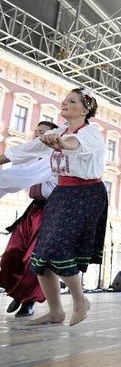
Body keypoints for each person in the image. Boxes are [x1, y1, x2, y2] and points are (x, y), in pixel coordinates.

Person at [0, 86, 107, 326]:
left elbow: (72, 143)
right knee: (41, 255)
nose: (64, 102)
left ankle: (80, 301)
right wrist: (52, 139)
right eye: (65, 99)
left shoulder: (91, 133)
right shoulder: (58, 132)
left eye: (71, 100)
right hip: (62, 193)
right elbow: (20, 152)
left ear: (85, 109)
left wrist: (59, 141)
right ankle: (55, 311)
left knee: (59, 248)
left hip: (85, 193)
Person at [0, 121, 58, 317]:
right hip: (33, 210)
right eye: (36, 133)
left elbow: (20, 177)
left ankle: (29, 301)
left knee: (32, 258)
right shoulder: (35, 157)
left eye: (43, 133)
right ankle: (17, 292)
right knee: (11, 254)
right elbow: (17, 165)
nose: (37, 137)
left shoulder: (53, 159)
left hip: (49, 213)